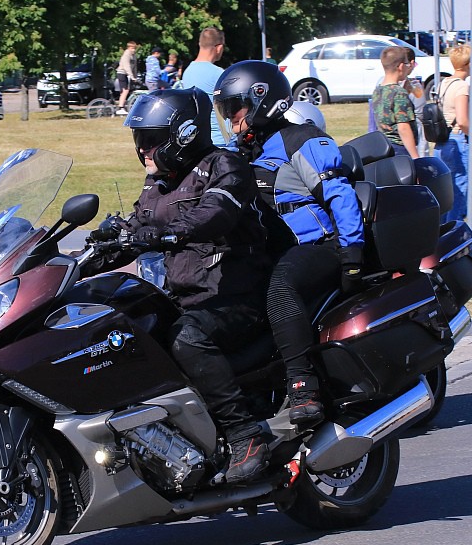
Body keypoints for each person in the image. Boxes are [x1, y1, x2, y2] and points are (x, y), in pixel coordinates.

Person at [83, 88, 273, 483]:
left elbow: (215, 212)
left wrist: (166, 234)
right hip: (188, 298)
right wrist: (69, 264)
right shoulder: (158, 185)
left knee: (185, 338)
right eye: (139, 140)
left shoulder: (225, 165)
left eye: (150, 140)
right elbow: (134, 232)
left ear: (183, 134)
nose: (143, 150)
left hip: (237, 300)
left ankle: (245, 434)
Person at [214, 60, 365, 430]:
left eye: (236, 110)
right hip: (273, 250)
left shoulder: (301, 139)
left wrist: (352, 256)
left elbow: (339, 196)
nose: (231, 120)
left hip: (319, 245)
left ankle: (303, 386)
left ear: (263, 101)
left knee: (280, 287)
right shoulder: (241, 152)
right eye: (226, 112)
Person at [433, 44, 472, 223]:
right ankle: (455, 225)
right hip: (456, 138)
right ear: (467, 64)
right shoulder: (462, 87)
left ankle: (443, 224)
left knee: (446, 187)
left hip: (442, 140)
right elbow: (462, 120)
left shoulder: (443, 83)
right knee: (460, 185)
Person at [370, 46, 421, 159]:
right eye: (407, 64)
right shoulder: (399, 93)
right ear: (401, 66)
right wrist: (415, 157)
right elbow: (403, 128)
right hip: (400, 148)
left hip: (384, 146)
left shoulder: (378, 90)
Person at [180, 27, 228, 146]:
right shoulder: (218, 74)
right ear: (219, 48)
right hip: (221, 143)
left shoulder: (188, 72)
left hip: (198, 140)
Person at [114, 41, 138, 115]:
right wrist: (131, 76)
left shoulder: (133, 56)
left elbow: (134, 68)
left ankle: (121, 106)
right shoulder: (126, 54)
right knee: (125, 90)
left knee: (124, 91)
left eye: (134, 48)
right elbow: (126, 66)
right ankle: (121, 108)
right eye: (132, 48)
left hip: (126, 74)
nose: (133, 50)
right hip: (122, 73)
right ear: (128, 48)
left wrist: (135, 77)